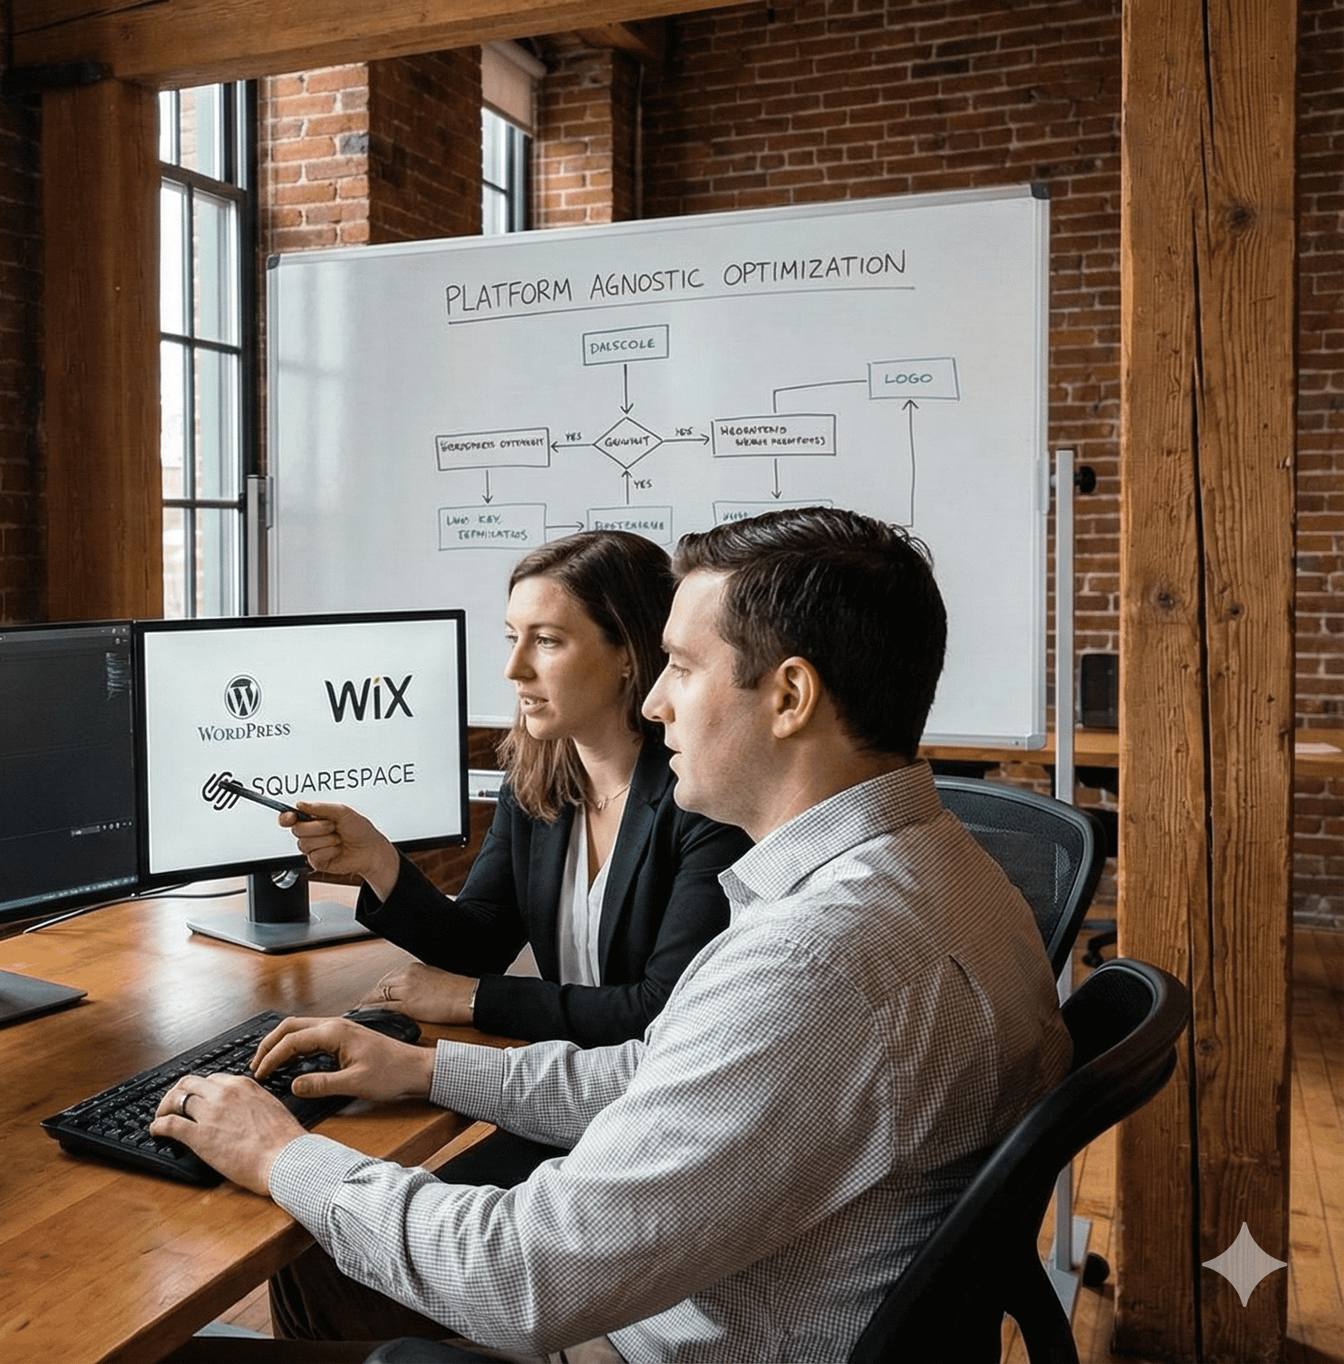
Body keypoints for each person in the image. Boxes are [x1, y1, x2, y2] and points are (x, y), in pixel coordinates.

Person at [152, 507, 1074, 1363]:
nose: (656, 702)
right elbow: (665, 1070)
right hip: (756, 1295)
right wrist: (430, 1071)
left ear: (790, 695)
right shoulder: (954, 872)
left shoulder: (814, 960)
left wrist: (279, 1152)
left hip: (662, 1338)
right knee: (326, 1251)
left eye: (682, 666)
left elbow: (524, 1278)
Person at [281, 529, 748, 1049]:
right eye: (512, 638)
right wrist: (378, 860)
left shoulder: (705, 799)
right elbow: (477, 945)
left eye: (546, 641)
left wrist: (472, 999)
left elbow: (661, 1010)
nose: (514, 669)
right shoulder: (534, 783)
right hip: (557, 1073)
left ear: (628, 653)